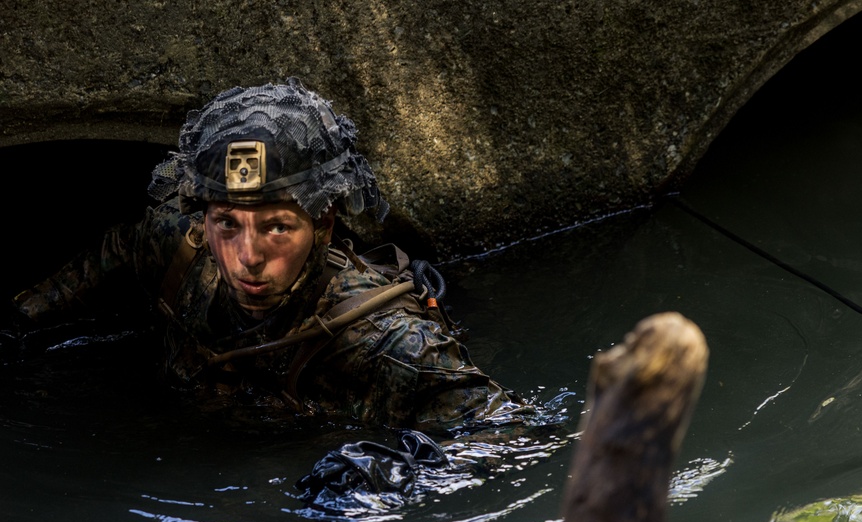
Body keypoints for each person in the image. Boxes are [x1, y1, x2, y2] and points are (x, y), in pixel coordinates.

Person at [9, 79, 532, 430]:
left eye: (277, 228)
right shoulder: (179, 248)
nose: (247, 256)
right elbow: (118, 250)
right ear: (204, 219)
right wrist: (23, 315)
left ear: (322, 224)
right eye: (227, 225)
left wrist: (392, 474)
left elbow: (510, 438)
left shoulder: (392, 348)